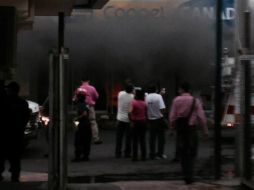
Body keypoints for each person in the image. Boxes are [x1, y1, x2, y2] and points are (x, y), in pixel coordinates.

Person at [169, 82, 208, 184]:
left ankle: (186, 174)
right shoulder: (196, 101)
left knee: (183, 153)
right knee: (192, 152)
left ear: (182, 89)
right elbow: (202, 118)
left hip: (181, 130)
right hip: (191, 130)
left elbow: (172, 117)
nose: (178, 91)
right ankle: (190, 175)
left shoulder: (176, 100)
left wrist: (172, 129)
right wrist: (205, 131)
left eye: (179, 89)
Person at [0, 81, 30, 182]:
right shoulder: (23, 103)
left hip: (5, 134)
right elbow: (26, 117)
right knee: (15, 157)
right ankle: (15, 176)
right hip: (17, 134)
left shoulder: (4, 101)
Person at [73, 77, 102, 144]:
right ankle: (96, 139)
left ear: (81, 81)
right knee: (93, 122)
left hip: (81, 107)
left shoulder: (79, 89)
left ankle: (80, 138)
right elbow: (97, 97)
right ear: (89, 80)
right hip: (90, 107)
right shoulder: (92, 88)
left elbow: (74, 99)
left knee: (80, 122)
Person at [145, 84, 167, 160]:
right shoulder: (158, 97)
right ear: (156, 90)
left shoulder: (146, 97)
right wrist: (163, 115)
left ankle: (152, 154)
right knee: (161, 138)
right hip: (159, 119)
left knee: (152, 138)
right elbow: (162, 108)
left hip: (150, 119)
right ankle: (160, 154)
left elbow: (145, 107)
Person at [115, 84, 134, 158]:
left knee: (119, 137)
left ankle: (117, 153)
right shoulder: (133, 97)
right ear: (132, 90)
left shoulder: (120, 94)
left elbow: (124, 91)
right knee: (128, 137)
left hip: (120, 118)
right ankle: (127, 153)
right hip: (128, 120)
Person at [72, 91, 91, 162]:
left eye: (76, 96)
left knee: (78, 141)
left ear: (79, 97)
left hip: (82, 125)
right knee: (86, 141)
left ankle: (78, 156)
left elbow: (85, 114)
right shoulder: (85, 104)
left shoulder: (80, 105)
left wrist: (76, 118)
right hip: (86, 125)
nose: (75, 98)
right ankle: (86, 156)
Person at [128, 89, 147, 161]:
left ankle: (135, 156)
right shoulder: (144, 103)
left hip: (135, 122)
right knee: (142, 139)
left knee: (135, 140)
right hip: (143, 122)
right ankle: (143, 156)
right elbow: (146, 112)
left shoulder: (133, 102)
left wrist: (131, 120)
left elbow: (129, 111)